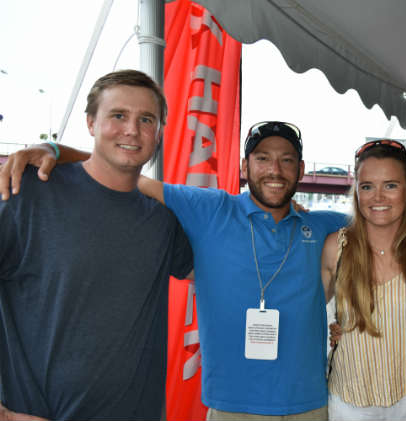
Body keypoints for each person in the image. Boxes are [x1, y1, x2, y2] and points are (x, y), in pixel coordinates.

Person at [0, 121, 348, 420]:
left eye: (287, 161)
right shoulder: (211, 209)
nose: (275, 169)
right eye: (263, 159)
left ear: (301, 171)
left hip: (310, 405)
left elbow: (384, 231)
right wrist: (56, 150)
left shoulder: (323, 225)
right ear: (245, 166)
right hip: (233, 407)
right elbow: (123, 172)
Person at [0, 70, 194, 420]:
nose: (132, 130)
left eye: (146, 119)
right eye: (118, 115)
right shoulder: (29, 192)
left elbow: (228, 266)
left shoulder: (164, 222)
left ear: (160, 132)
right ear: (90, 122)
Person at [321, 139, 406, 421]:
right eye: (367, 186)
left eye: (390, 185)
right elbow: (306, 311)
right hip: (352, 401)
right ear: (357, 192)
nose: (377, 197)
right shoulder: (336, 247)